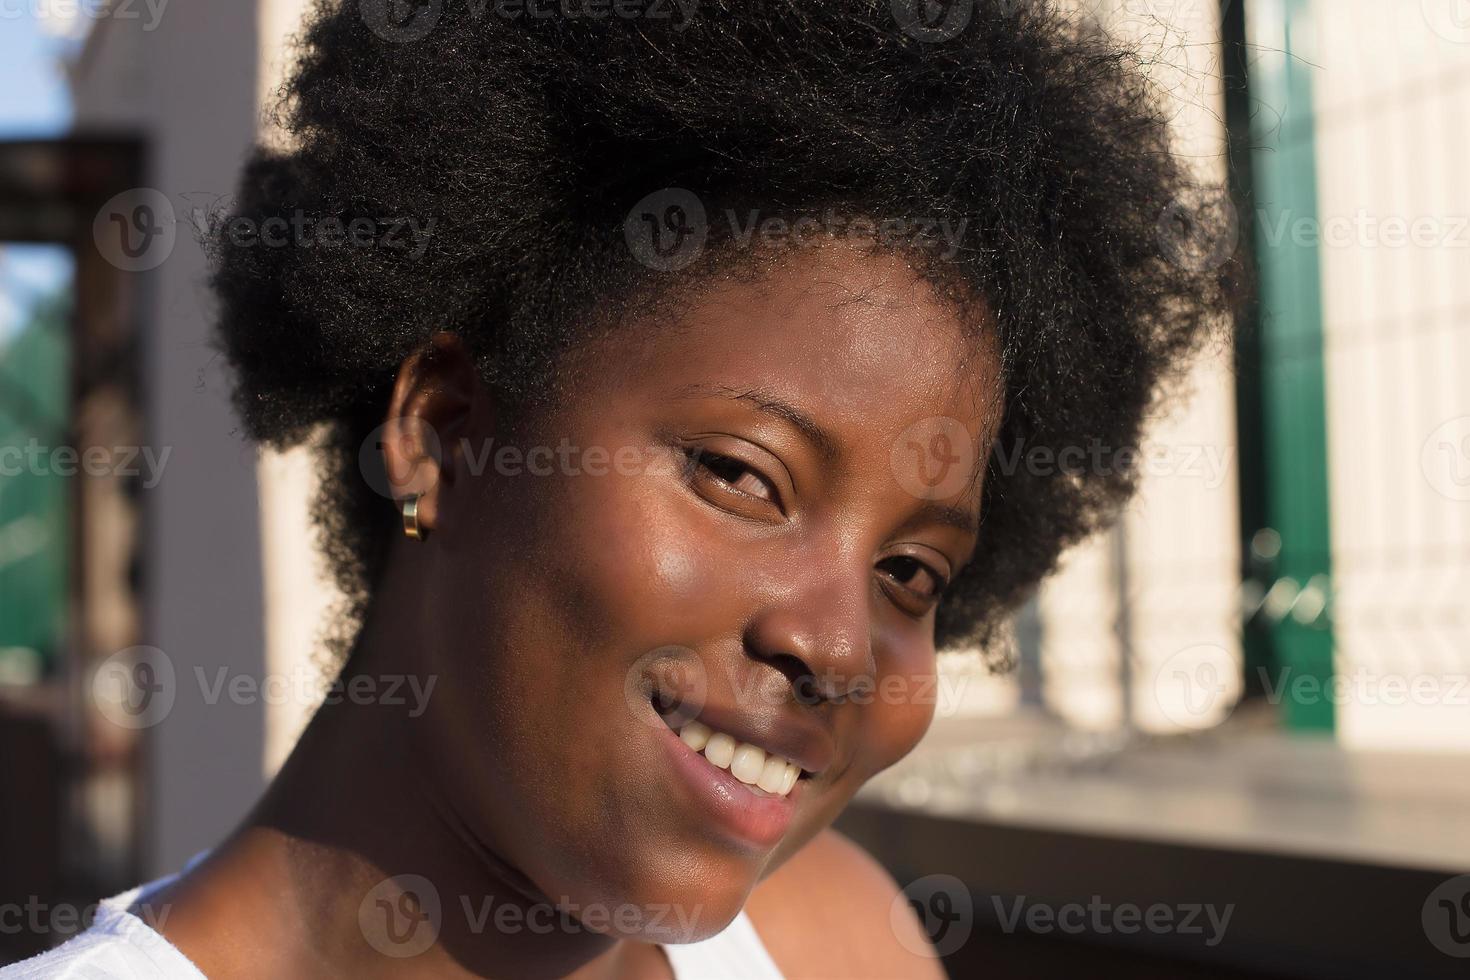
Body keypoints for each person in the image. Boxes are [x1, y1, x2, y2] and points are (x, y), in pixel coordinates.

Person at [7, 0, 1230, 976]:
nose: (837, 642)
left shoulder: (834, 945)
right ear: (440, 432)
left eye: (910, 572)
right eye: (745, 476)